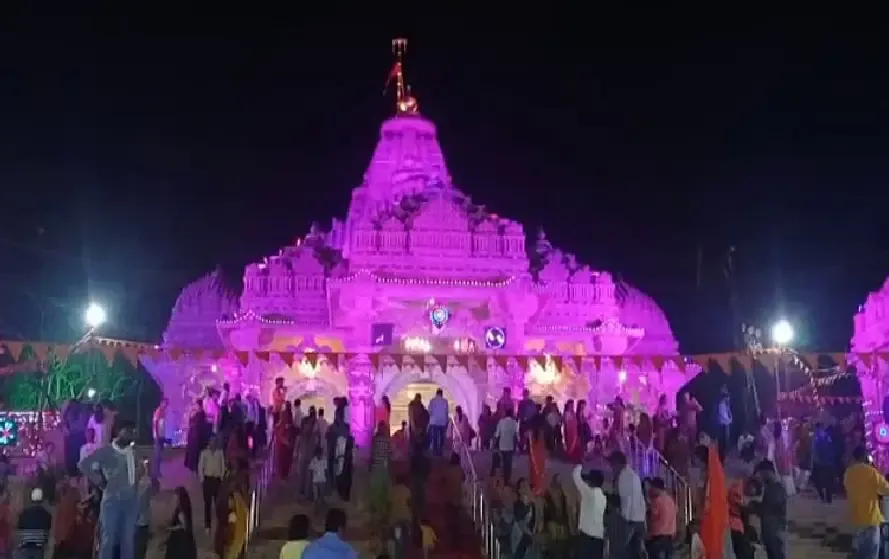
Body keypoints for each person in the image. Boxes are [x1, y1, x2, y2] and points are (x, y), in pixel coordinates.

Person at [79, 421, 139, 559]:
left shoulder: (133, 452)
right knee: (108, 539)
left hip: (131, 501)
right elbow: (83, 464)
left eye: (132, 432)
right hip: (112, 500)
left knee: (128, 541)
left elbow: (135, 473)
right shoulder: (106, 451)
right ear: (119, 432)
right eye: (127, 431)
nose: (131, 435)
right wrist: (99, 481)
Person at [844, 445, 889, 559]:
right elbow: (885, 489)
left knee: (860, 552)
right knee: (872, 552)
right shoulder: (871, 472)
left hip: (856, 517)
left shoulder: (848, 473)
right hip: (871, 517)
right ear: (865, 457)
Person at [608, 451, 646, 559]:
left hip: (629, 522)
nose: (612, 469)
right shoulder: (634, 474)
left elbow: (626, 500)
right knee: (635, 553)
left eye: (612, 465)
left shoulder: (624, 477)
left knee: (624, 553)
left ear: (617, 463)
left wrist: (624, 524)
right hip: (638, 520)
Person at [750, 460, 787, 559]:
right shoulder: (771, 487)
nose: (761, 477)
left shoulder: (777, 488)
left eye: (761, 474)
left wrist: (753, 506)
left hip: (775, 532)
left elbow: (770, 508)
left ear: (768, 472)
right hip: (770, 532)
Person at [572, 465, 606, 558]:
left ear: (591, 481)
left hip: (587, 538)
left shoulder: (589, 493)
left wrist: (580, 463)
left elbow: (576, 476)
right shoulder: (603, 498)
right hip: (599, 539)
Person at [368, 422, 392, 536]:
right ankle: (382, 520)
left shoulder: (374, 440)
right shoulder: (387, 441)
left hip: (375, 469)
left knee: (375, 494)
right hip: (384, 470)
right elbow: (390, 455)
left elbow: (371, 455)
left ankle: (374, 522)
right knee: (383, 494)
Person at [199, 435, 226, 533]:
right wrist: (202, 480)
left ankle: (220, 523)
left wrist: (221, 478)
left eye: (215, 441)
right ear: (209, 442)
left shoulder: (220, 453)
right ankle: (207, 525)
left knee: (218, 503)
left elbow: (223, 466)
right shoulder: (204, 453)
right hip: (207, 480)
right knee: (207, 504)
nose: (213, 443)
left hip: (217, 481)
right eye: (211, 441)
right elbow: (200, 467)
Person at [16, 488, 51, 559]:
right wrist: (46, 543)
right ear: (42, 500)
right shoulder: (46, 514)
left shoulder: (24, 513)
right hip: (39, 547)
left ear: (31, 499)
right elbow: (47, 531)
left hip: (25, 546)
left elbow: (20, 529)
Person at [646, 478, 677, 559]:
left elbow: (653, 519)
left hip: (658, 538)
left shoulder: (657, 501)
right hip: (669, 539)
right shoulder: (670, 500)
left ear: (656, 488)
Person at [543, 474, 572, 559]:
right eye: (555, 489)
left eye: (559, 489)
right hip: (552, 540)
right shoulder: (547, 503)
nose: (557, 492)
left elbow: (569, 527)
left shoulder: (565, 504)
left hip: (563, 542)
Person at [165, 486, 197, 559]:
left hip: (180, 542)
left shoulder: (180, 512)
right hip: (184, 542)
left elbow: (183, 526)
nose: (174, 498)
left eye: (175, 496)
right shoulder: (185, 508)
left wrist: (170, 529)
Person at [135, 459, 158, 559]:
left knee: (140, 551)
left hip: (142, 523)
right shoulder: (132, 483)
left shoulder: (146, 483)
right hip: (134, 524)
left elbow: (154, 489)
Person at [511, 478, 540, 558]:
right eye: (523, 486)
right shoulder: (517, 505)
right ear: (519, 490)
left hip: (531, 543)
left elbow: (536, 522)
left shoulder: (533, 505)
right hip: (520, 542)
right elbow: (522, 525)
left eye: (527, 485)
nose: (526, 488)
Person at [388, 475, 412, 559]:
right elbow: (410, 504)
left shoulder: (392, 491)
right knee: (407, 537)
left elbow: (388, 504)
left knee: (396, 539)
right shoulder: (407, 491)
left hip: (395, 519)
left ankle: (398, 555)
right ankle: (407, 554)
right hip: (406, 518)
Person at [493, 407, 519, 484]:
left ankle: (502, 479)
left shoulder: (501, 422)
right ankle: (507, 479)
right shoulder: (514, 423)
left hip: (502, 445)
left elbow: (497, 434)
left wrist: (495, 445)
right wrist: (517, 445)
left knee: (502, 462)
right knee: (509, 463)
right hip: (510, 445)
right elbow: (516, 435)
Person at [428, 389, 449, 457]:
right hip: (442, 422)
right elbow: (446, 412)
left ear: (436, 393)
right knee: (442, 437)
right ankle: (440, 451)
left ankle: (435, 452)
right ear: (442, 394)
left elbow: (430, 411)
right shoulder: (445, 401)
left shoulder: (432, 401)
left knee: (435, 437)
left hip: (434, 422)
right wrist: (446, 422)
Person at [152, 398, 169, 479]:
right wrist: (157, 436)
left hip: (160, 436)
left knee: (159, 455)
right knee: (157, 455)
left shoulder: (163, 411)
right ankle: (155, 472)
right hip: (158, 437)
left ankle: (157, 472)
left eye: (167, 404)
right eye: (165, 403)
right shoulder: (158, 411)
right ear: (161, 402)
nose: (166, 405)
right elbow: (155, 424)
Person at [309, 446, 328, 511]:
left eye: (320, 454)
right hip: (315, 481)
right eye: (318, 454)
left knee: (322, 493)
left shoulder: (324, 459)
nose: (319, 455)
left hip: (322, 480)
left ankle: (321, 503)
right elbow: (310, 469)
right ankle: (316, 508)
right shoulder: (313, 460)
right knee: (316, 496)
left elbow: (325, 470)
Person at [716, 392, 732, 462]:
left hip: (724, 425)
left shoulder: (724, 405)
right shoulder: (721, 405)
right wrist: (730, 420)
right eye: (727, 397)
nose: (729, 399)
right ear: (725, 398)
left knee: (724, 442)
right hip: (723, 426)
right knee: (723, 442)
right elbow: (724, 417)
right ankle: (721, 458)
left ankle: (722, 457)